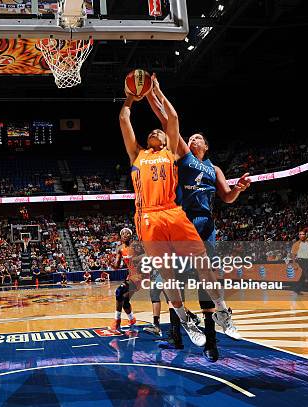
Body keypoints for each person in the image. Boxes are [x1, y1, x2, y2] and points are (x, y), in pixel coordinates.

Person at [119, 74, 238, 350]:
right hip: (147, 216)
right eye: (152, 132)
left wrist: (157, 91)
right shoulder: (136, 154)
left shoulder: (173, 152)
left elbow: (172, 119)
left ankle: (221, 310)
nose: (156, 132)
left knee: (203, 264)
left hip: (173, 212)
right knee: (168, 275)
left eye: (158, 132)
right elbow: (125, 121)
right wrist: (130, 97)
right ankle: (184, 319)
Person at [110, 228, 139, 331]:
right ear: (120, 236)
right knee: (125, 300)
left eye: (127, 233)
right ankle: (132, 319)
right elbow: (116, 266)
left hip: (141, 276)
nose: (125, 234)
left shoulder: (136, 246)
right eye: (122, 233)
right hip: (131, 276)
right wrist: (112, 264)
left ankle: (117, 320)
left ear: (131, 236)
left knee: (119, 291)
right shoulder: (120, 248)